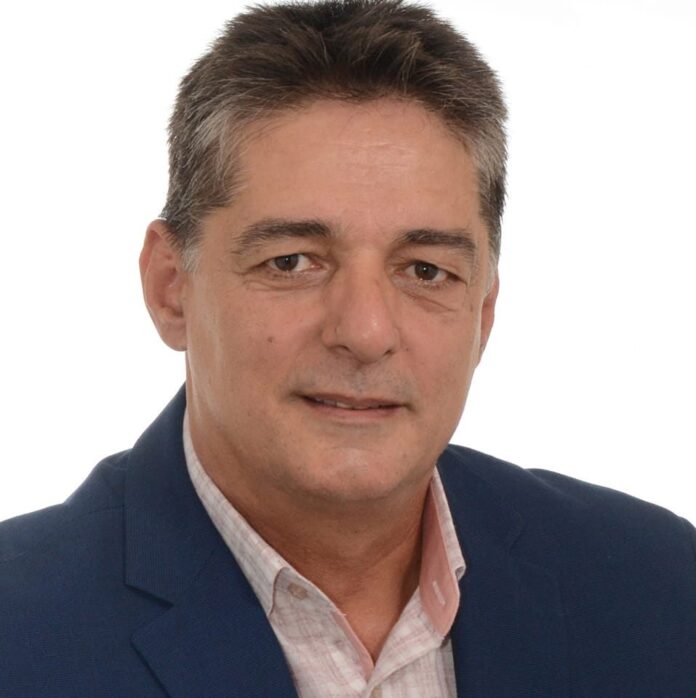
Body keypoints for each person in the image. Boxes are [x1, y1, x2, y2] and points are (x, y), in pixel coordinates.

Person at [1, 1, 695, 695]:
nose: (365, 333)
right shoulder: (19, 631)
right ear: (170, 287)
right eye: (292, 261)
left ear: (483, 310)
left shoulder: (658, 588)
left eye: (426, 271)